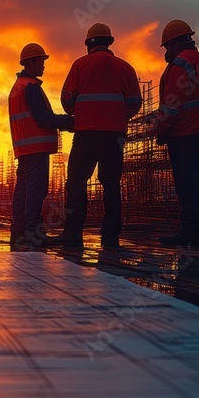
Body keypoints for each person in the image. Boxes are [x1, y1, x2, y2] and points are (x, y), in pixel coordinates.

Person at [52, 23, 141, 249]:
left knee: (77, 182)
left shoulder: (80, 65)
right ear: (109, 43)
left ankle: (73, 231)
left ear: (88, 44)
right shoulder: (125, 68)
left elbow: (67, 99)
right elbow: (134, 103)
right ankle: (111, 229)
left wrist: (81, 112)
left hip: (87, 133)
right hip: (114, 135)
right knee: (111, 183)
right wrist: (118, 116)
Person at [151, 19, 199, 247]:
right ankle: (195, 230)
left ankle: (190, 232)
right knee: (195, 182)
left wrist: (159, 128)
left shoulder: (180, 63)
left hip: (183, 132)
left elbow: (172, 104)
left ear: (176, 42)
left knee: (186, 184)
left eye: (167, 46)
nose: (166, 51)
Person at [8, 42, 75, 249]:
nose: (44, 66)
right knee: (35, 191)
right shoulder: (31, 87)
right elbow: (43, 118)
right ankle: (33, 232)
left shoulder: (17, 88)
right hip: (35, 149)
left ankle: (19, 232)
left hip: (24, 149)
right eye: (41, 61)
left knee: (24, 192)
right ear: (30, 63)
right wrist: (70, 122)